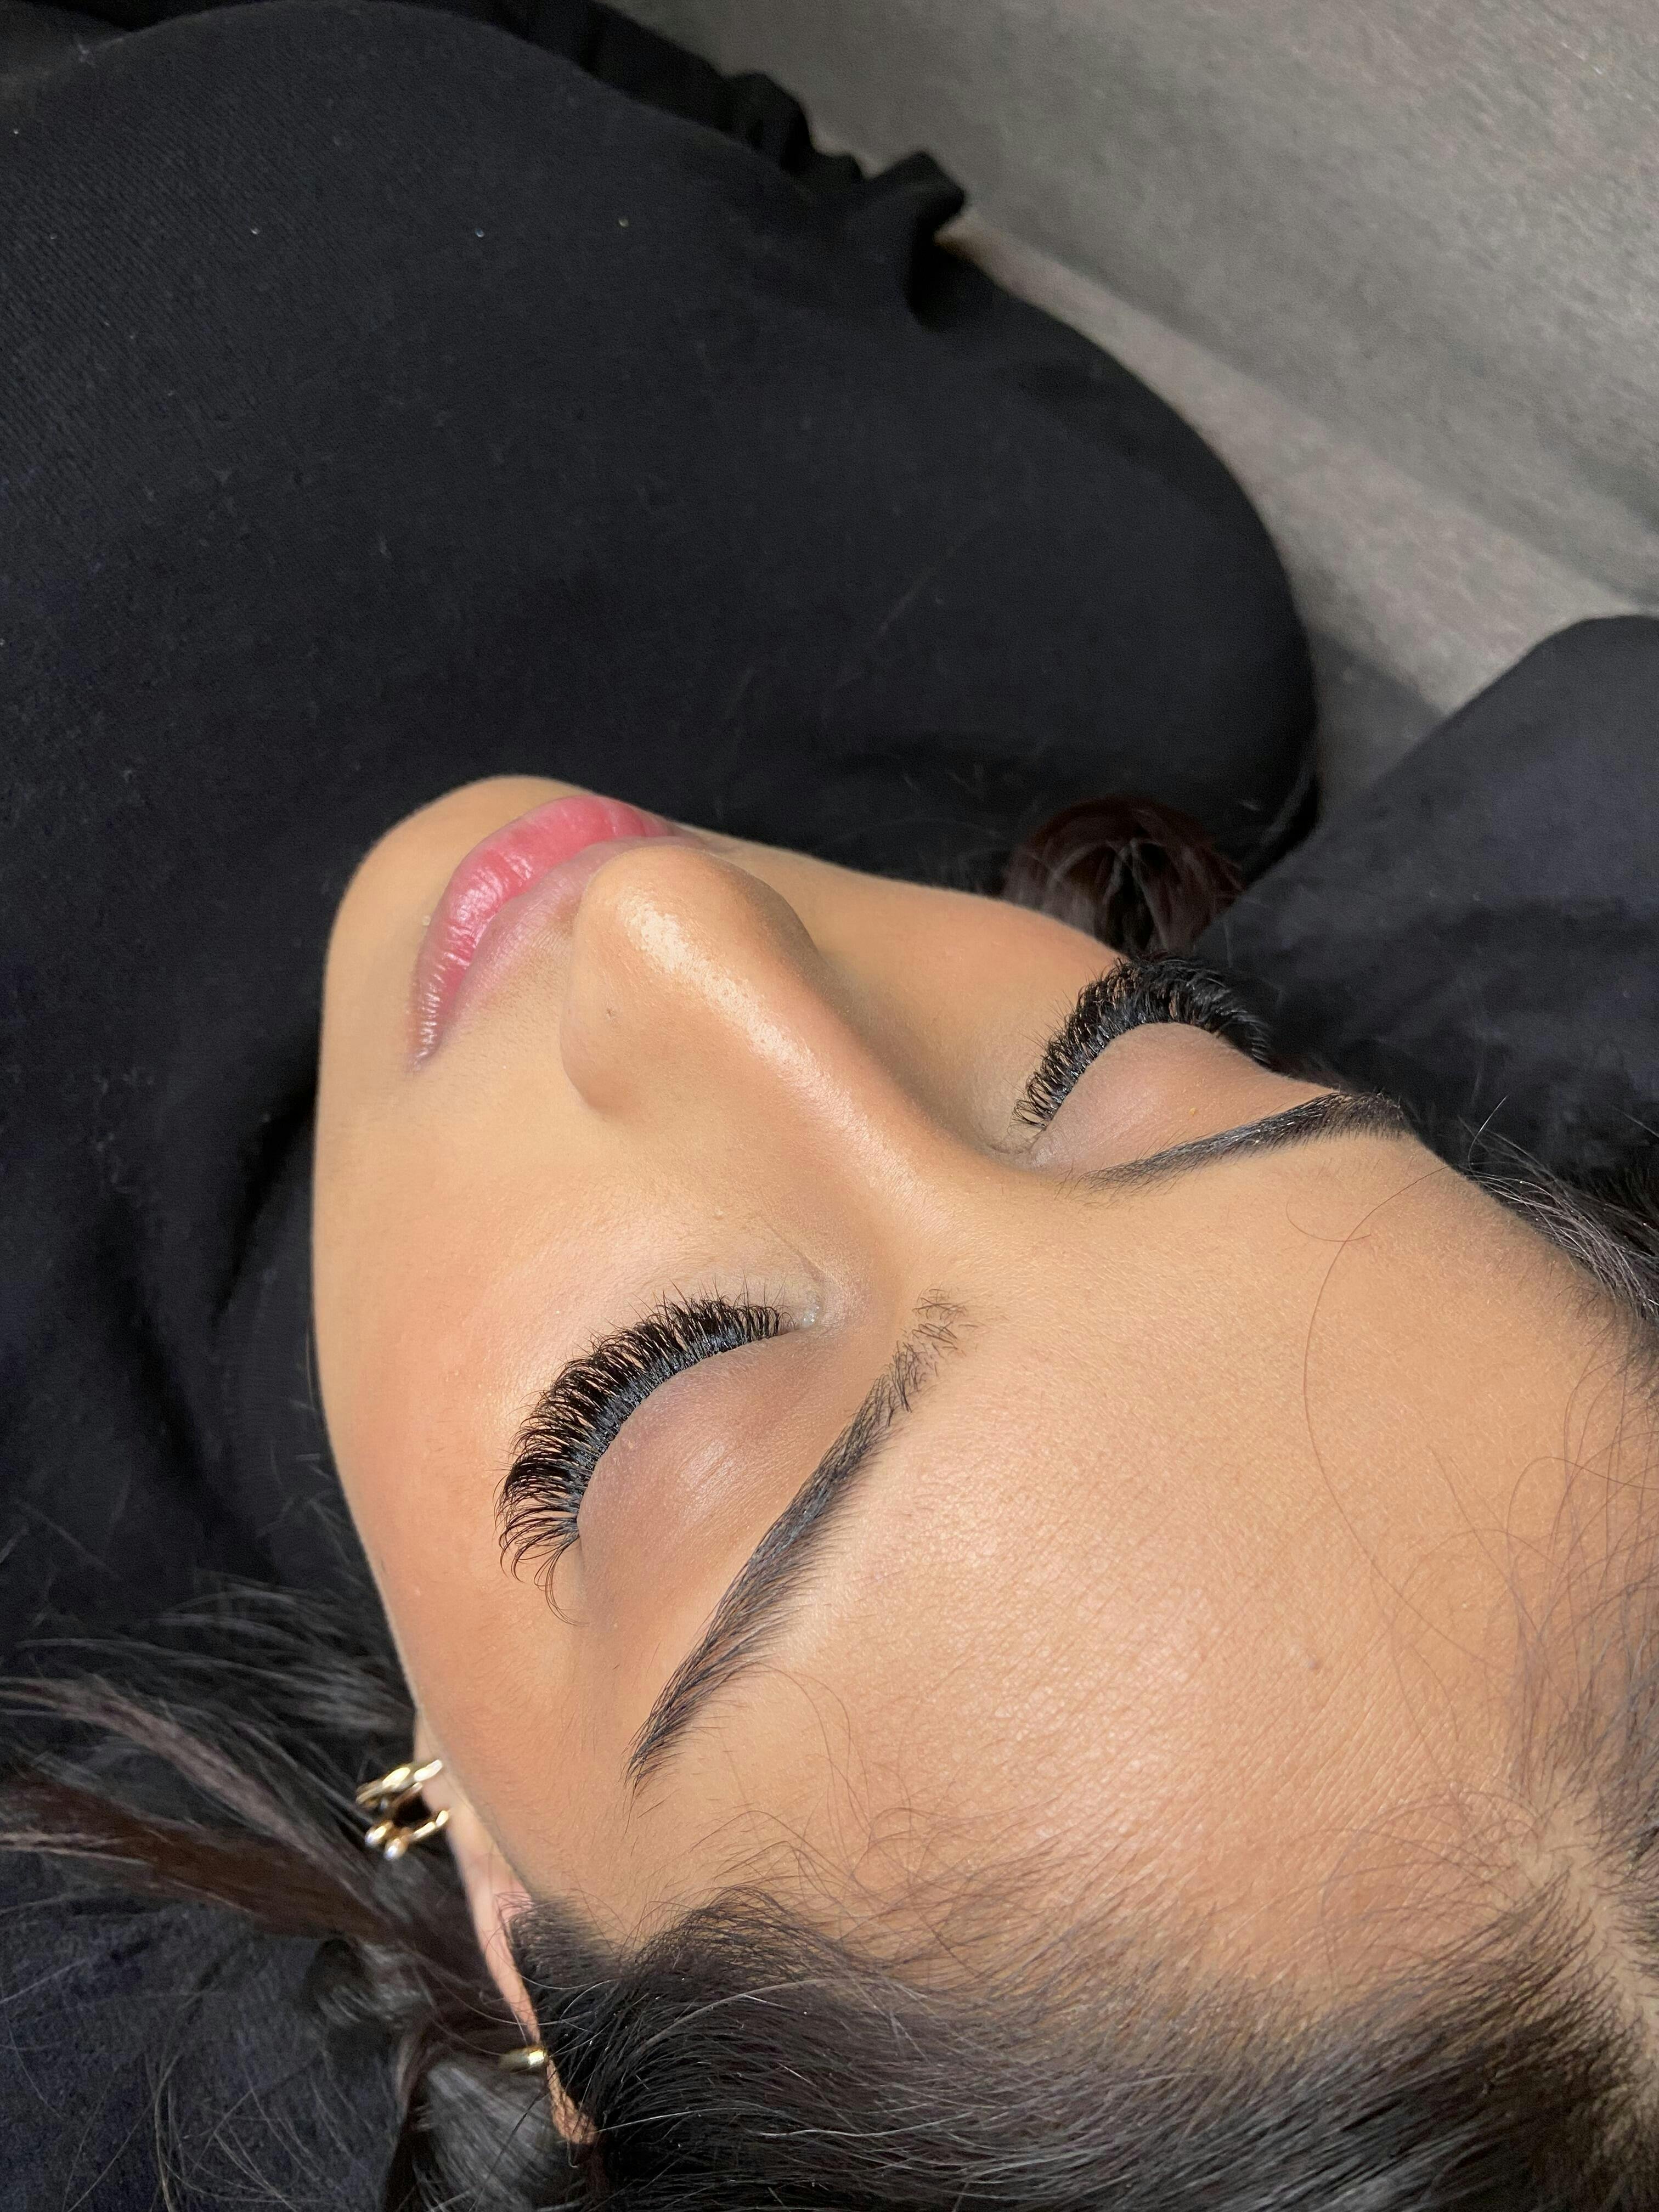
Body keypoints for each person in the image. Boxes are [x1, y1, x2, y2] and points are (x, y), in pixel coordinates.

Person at [5, 3, 1659, 2207]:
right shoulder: (1109, 601)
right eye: (1131, 1067)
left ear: (512, 1915)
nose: (681, 925)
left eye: (656, 1400)